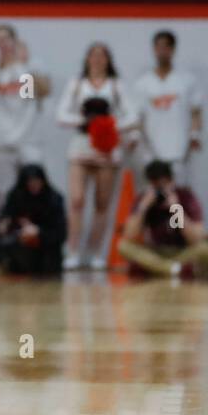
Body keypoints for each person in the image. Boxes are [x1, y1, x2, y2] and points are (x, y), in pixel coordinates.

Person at [55, 41, 138, 271]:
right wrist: (85, 121)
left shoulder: (116, 85)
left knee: (102, 203)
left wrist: (110, 125)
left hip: (106, 146)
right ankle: (72, 250)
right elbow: (60, 114)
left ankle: (94, 252)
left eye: (102, 56)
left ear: (109, 60)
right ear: (87, 59)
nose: (98, 60)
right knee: (77, 200)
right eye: (94, 55)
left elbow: (132, 115)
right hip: (82, 143)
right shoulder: (77, 83)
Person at [0, 24, 50, 207]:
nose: (3, 44)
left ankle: (34, 232)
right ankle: (8, 231)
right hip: (0, 141)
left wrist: (23, 65)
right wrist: (2, 69)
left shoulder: (32, 66)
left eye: (6, 39)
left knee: (35, 190)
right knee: (5, 193)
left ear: (15, 40)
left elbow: (44, 90)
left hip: (29, 140)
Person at [116, 161, 208, 278]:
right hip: (155, 252)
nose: (160, 191)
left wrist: (177, 208)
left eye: (162, 186)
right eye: (155, 186)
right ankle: (174, 269)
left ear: (171, 181)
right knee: (123, 246)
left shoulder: (186, 197)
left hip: (182, 251)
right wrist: (143, 207)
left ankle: (155, 268)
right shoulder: (145, 198)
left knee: (206, 249)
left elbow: (196, 238)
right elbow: (129, 235)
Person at [132, 31, 204, 187]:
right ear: (154, 49)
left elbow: (196, 112)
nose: (162, 51)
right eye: (158, 47)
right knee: (153, 195)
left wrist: (194, 135)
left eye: (166, 47)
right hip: (152, 151)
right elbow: (138, 117)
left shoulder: (186, 80)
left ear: (173, 49)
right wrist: (136, 138)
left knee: (178, 196)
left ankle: (178, 213)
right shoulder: (143, 83)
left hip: (179, 151)